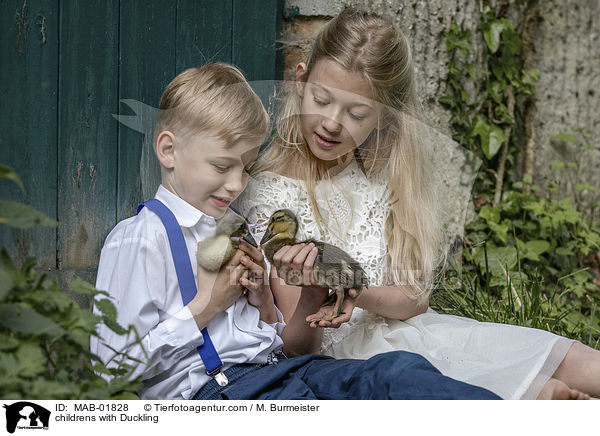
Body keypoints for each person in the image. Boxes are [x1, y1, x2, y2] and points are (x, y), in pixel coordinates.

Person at [233, 8, 600, 400]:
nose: (332, 123)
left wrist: (356, 290)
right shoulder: (271, 196)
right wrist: (315, 290)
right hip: (355, 362)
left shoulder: (380, 176)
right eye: (322, 100)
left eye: (356, 113)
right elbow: (296, 348)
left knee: (577, 360)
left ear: (383, 118)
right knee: (540, 391)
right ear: (300, 80)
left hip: (417, 331)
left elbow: (414, 300)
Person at [90, 63, 500, 400]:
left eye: (246, 168)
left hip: (283, 372)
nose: (237, 184)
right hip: (216, 394)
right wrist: (209, 305)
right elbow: (111, 368)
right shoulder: (141, 238)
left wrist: (264, 301)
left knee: (397, 373)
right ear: (168, 150)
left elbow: (275, 341)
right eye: (222, 167)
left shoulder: (238, 227)